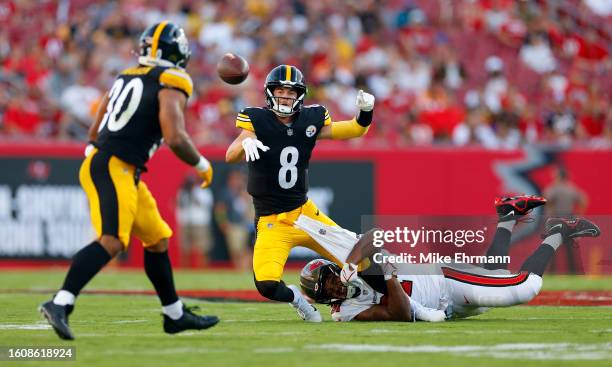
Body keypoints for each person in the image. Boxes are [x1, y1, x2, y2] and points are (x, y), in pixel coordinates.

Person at [39, 21, 218, 340]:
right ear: (175, 52)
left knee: (157, 238)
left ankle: (174, 314)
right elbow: (174, 136)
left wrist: (96, 147)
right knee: (112, 240)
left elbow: (100, 118)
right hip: (115, 165)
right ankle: (60, 302)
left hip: (115, 164)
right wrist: (202, 163)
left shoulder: (128, 74)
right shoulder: (172, 78)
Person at [225, 64, 375, 322]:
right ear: (270, 93)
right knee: (267, 284)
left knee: (364, 259)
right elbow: (230, 155)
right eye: (280, 91)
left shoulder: (311, 118)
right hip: (272, 221)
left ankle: (406, 300)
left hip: (306, 215)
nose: (285, 96)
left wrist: (366, 112)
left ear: (300, 95)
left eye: (291, 92)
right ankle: (298, 299)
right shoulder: (256, 120)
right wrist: (244, 143)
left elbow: (353, 129)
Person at [298, 195, 601, 322]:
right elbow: (401, 315)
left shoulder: (351, 262)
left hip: (441, 281)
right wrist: (388, 275)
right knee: (492, 272)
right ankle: (508, 215)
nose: (336, 288)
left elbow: (376, 234)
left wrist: (353, 264)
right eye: (328, 291)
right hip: (442, 308)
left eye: (331, 279)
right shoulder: (345, 312)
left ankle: (559, 232)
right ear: (327, 301)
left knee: (525, 289)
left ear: (333, 268)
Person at [544, 166, 589, 273]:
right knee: (570, 249)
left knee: (552, 247)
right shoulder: (571, 188)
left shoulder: (554, 188)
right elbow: (584, 200)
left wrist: (550, 213)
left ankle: (552, 272)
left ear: (559, 176)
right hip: (569, 220)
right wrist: (579, 214)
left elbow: (547, 200)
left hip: (556, 220)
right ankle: (573, 272)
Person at [214, 169, 254, 270]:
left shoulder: (244, 191)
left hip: (246, 226)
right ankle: (240, 270)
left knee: (247, 250)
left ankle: (244, 270)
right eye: (236, 178)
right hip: (234, 225)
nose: (238, 181)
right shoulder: (226, 192)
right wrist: (223, 223)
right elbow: (220, 209)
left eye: (239, 178)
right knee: (236, 251)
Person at [176, 174, 214, 268]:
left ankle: (203, 270)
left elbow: (206, 205)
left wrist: (194, 193)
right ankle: (185, 271)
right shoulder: (182, 192)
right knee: (185, 249)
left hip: (200, 223)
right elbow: (178, 206)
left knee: (202, 249)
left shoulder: (203, 191)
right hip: (185, 223)